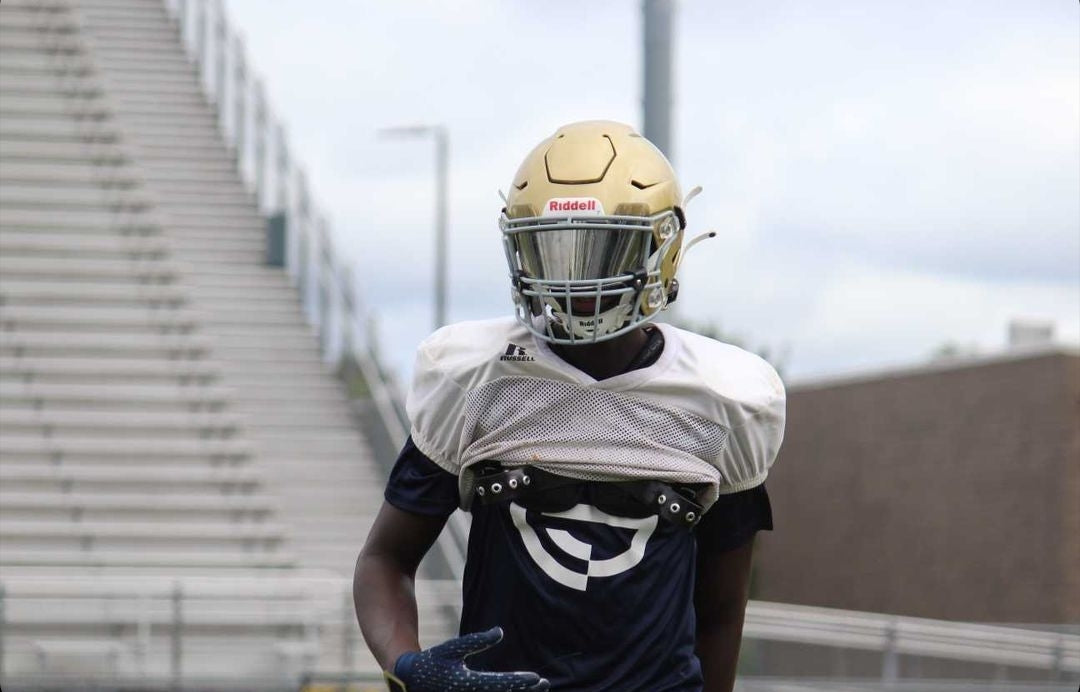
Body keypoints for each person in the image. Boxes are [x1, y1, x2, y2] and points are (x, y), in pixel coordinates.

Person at [355, 120, 786, 692]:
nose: (573, 281)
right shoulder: (477, 377)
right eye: (553, 250)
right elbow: (384, 561)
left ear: (662, 248)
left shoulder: (721, 400)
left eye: (600, 250)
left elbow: (722, 612)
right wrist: (408, 668)